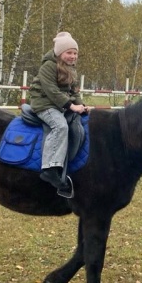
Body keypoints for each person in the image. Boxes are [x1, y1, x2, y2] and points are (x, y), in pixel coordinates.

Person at [28, 31, 88, 192]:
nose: (73, 56)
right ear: (60, 53)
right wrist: (71, 106)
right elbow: (51, 91)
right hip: (44, 103)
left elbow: (74, 91)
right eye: (69, 52)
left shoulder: (71, 69)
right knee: (60, 126)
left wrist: (81, 105)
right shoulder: (48, 66)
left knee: (80, 124)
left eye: (75, 53)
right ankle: (50, 168)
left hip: (59, 104)